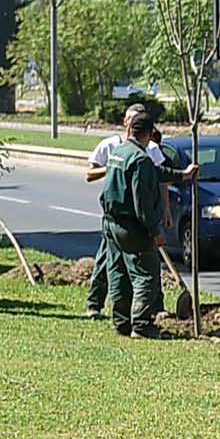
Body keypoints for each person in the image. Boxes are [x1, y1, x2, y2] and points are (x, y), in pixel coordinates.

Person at [97, 105, 172, 337]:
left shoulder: (119, 153)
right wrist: (155, 231)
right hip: (133, 227)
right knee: (146, 276)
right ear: (149, 134)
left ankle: (121, 322)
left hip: (111, 224)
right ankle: (141, 325)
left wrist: (183, 175)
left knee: (117, 272)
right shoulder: (140, 159)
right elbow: (143, 205)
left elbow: (155, 173)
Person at [80, 122, 144, 320]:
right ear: (126, 123)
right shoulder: (110, 146)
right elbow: (89, 174)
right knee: (107, 261)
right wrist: (113, 168)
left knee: (139, 266)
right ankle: (96, 304)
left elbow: (159, 178)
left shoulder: (148, 148)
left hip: (136, 218)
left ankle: (145, 309)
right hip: (116, 217)